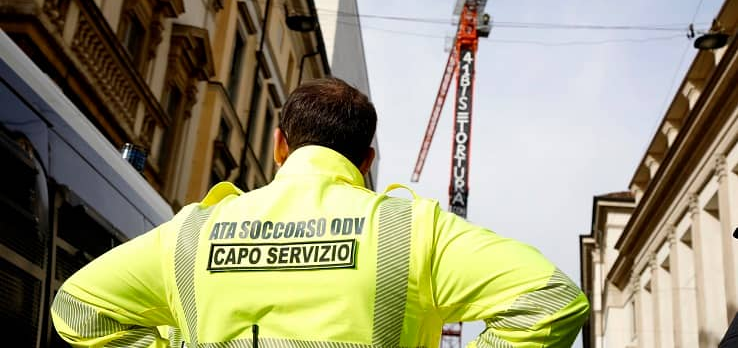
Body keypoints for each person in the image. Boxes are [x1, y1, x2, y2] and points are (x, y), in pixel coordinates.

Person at [51, 77, 589, 347]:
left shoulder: (195, 231)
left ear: (281, 145)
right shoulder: (409, 229)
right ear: (368, 159)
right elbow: (552, 299)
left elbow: (78, 310)